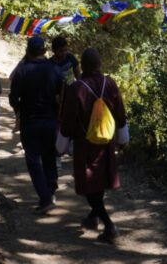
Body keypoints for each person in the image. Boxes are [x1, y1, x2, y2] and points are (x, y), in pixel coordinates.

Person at [59, 48, 129, 243]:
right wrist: (123, 139)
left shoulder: (77, 88)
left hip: (85, 144)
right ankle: (92, 217)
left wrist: (61, 145)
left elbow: (68, 120)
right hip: (107, 143)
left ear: (83, 65)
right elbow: (121, 114)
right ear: (100, 64)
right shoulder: (111, 83)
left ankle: (109, 226)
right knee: (99, 182)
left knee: (90, 185)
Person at [9, 36, 64, 213]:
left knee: (33, 160)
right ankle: (51, 188)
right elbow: (62, 93)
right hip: (50, 122)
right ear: (44, 51)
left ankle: (46, 197)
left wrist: (19, 110)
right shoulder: (54, 69)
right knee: (49, 156)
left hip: (30, 122)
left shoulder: (22, 70)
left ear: (29, 51)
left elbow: (13, 97)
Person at [50, 35, 80, 170]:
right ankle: (57, 157)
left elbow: (78, 74)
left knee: (73, 123)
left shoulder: (70, 59)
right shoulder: (49, 64)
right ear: (54, 51)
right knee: (57, 128)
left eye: (65, 50)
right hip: (55, 101)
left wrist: (80, 89)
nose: (64, 53)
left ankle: (71, 148)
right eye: (61, 51)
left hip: (71, 97)